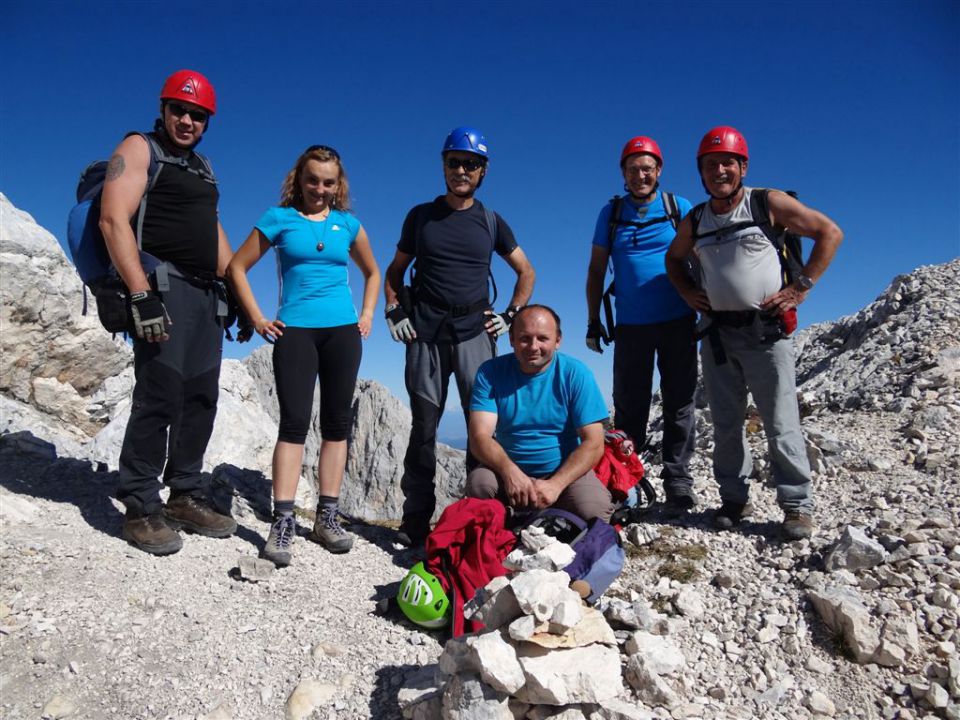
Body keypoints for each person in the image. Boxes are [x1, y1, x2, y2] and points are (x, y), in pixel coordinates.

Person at [665, 126, 843, 541]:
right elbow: (673, 260)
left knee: (781, 421)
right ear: (701, 172)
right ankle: (733, 499)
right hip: (718, 336)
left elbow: (829, 233)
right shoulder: (697, 219)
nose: (719, 170)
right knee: (726, 423)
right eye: (711, 165)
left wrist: (801, 288)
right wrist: (688, 291)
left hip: (766, 333)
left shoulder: (767, 203)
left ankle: (796, 505)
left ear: (742, 166)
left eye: (727, 162)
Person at [100, 69, 242, 556]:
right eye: (179, 109)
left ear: (207, 122)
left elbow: (213, 231)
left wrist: (236, 289)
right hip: (163, 284)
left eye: (197, 115)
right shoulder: (140, 148)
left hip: (207, 295)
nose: (186, 119)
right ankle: (140, 505)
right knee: (159, 393)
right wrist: (141, 293)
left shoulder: (203, 167)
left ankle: (184, 493)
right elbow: (112, 217)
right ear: (163, 109)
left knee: (200, 397)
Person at [227, 145, 380, 566]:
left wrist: (366, 314)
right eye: (313, 179)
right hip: (294, 330)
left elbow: (373, 272)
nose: (320, 188)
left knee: (336, 425)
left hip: (342, 333)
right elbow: (237, 267)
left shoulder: (348, 225)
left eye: (328, 182)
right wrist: (257, 318)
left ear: (338, 185)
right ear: (299, 179)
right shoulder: (278, 220)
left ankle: (326, 518)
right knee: (293, 425)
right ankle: (283, 520)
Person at [383, 126, 535, 548]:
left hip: (473, 333)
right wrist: (394, 310)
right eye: (455, 162)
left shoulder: (491, 221)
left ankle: (475, 516)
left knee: (479, 429)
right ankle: (415, 519)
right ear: (443, 166)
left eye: (471, 164)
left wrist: (510, 316)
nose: (462, 170)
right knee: (424, 427)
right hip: (426, 334)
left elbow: (527, 271)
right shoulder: (420, 217)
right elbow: (395, 271)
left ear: (483, 171)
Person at [585, 136, 699, 516]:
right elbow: (597, 269)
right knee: (630, 407)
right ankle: (626, 483)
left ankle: (678, 484)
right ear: (623, 173)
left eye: (647, 168)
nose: (640, 175)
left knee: (679, 402)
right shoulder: (611, 214)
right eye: (633, 169)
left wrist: (709, 306)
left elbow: (701, 257)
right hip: (631, 325)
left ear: (659, 171)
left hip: (678, 319)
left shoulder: (676, 208)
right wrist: (592, 320)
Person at [465, 305, 614, 522]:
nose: (533, 347)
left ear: (558, 340)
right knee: (481, 485)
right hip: (509, 470)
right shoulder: (490, 373)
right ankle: (511, 526)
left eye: (542, 338)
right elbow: (479, 437)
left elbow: (594, 443)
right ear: (512, 340)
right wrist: (510, 473)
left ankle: (535, 514)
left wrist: (556, 485)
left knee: (594, 510)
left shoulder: (576, 373)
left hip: (564, 471)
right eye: (524, 338)